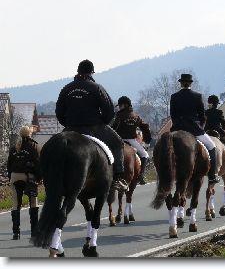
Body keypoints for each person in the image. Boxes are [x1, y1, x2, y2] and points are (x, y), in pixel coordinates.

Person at [55, 59, 128, 192]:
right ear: (91, 73)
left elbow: (59, 112)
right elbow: (110, 111)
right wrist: (102, 123)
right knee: (118, 142)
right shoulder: (96, 87)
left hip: (70, 127)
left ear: (78, 72)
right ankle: (118, 178)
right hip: (93, 126)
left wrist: (69, 124)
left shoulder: (66, 88)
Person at [170, 73, 220, 184]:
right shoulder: (197, 96)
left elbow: (173, 116)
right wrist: (201, 127)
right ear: (190, 83)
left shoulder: (174, 96)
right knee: (212, 147)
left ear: (181, 83)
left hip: (177, 129)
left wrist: (177, 126)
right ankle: (212, 175)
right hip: (194, 129)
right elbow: (202, 116)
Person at [7, 126, 41, 240]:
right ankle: (34, 232)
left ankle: (16, 233)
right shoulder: (34, 146)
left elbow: (9, 165)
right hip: (29, 178)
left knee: (16, 204)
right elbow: (38, 164)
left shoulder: (14, 147)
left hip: (15, 176)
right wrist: (39, 178)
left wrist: (10, 177)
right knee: (33, 203)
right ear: (30, 134)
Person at [112, 96, 151, 185]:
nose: (120, 107)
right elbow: (145, 127)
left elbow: (112, 128)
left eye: (121, 105)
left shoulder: (117, 115)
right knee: (145, 155)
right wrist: (147, 140)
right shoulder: (136, 116)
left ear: (125, 105)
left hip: (119, 140)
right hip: (132, 141)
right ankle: (141, 176)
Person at [205, 95, 225, 164]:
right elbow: (224, 123)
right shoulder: (219, 112)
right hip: (218, 131)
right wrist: (223, 129)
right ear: (216, 104)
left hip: (206, 131)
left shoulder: (206, 112)